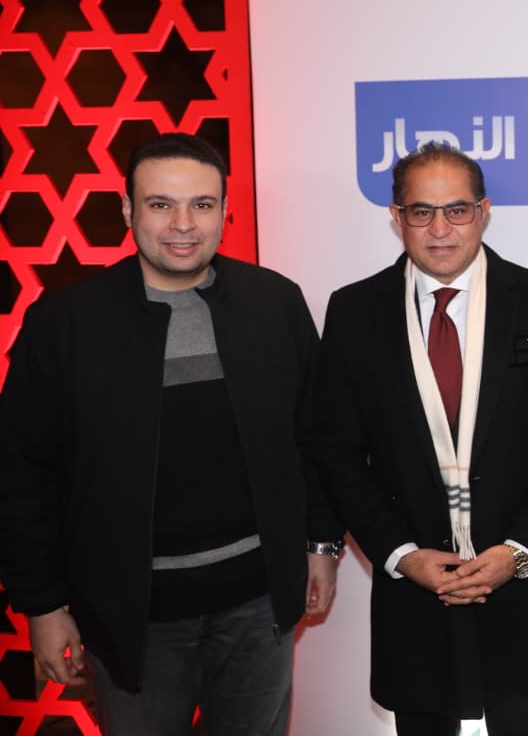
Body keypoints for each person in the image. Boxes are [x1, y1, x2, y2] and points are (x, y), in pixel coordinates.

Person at [0, 132, 343, 735]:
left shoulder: (275, 303)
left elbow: (315, 438)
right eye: (161, 204)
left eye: (202, 205)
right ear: (128, 209)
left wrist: (323, 545)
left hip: (258, 610)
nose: (183, 225)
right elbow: (22, 472)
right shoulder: (65, 323)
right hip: (133, 620)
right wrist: (43, 604)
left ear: (224, 210)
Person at [309, 142, 528, 735]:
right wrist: (401, 555)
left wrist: (518, 551)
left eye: (457, 210)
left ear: (483, 211)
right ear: (396, 216)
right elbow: (337, 451)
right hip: (414, 583)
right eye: (421, 212)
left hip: (515, 576)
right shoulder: (355, 311)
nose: (440, 229)